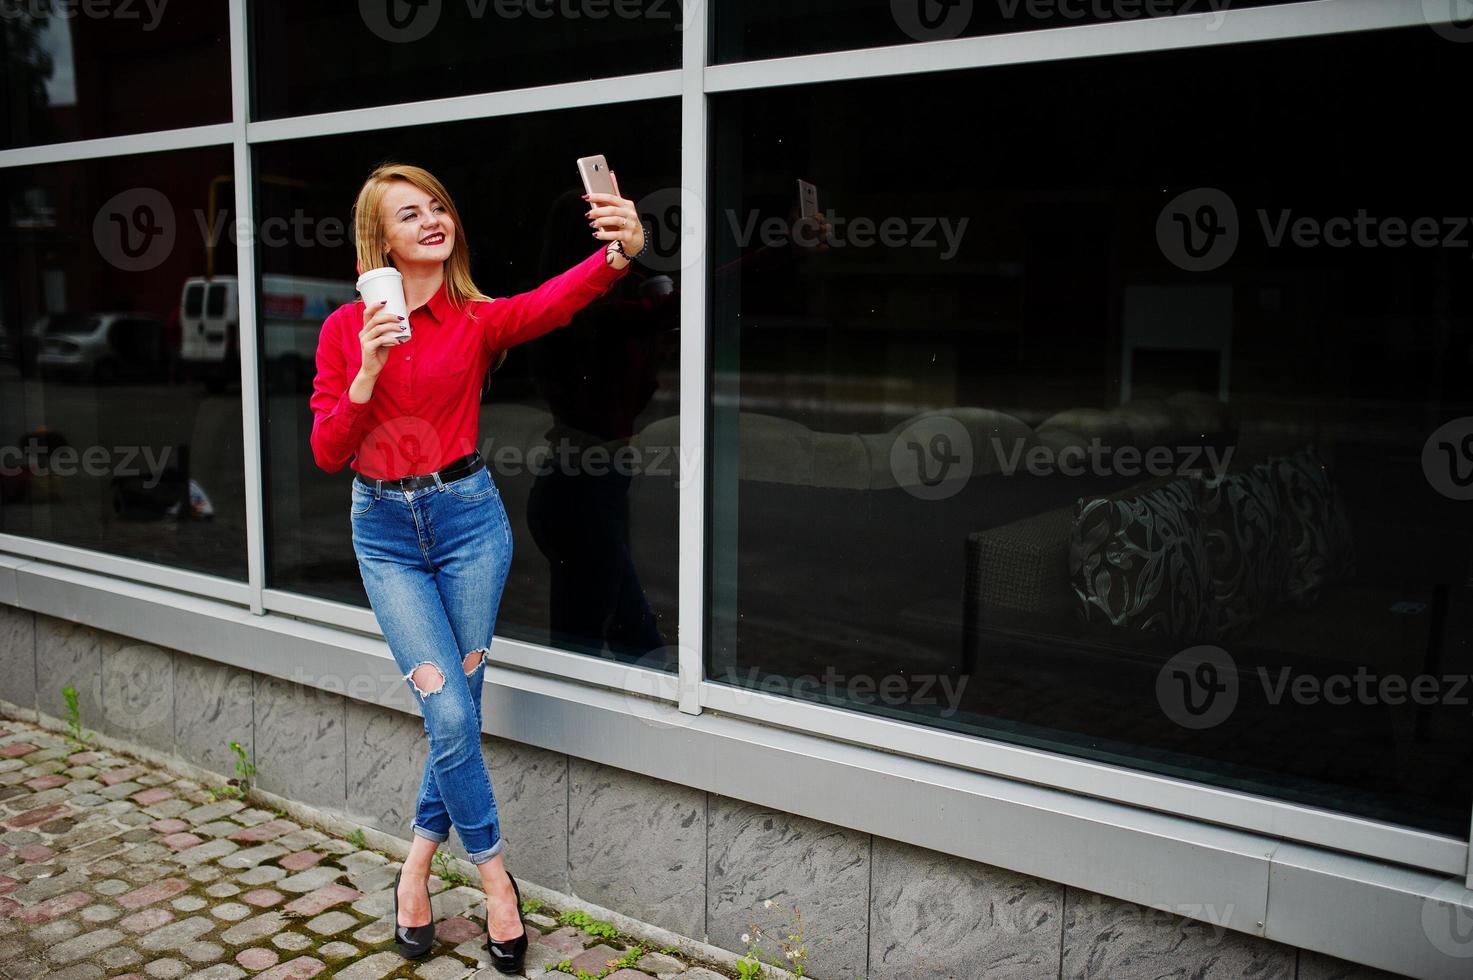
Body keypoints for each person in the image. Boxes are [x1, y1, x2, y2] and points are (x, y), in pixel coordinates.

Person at [308, 162, 646, 973]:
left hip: (469, 529)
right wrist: (366, 368)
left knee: (455, 712)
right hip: (385, 534)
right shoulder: (344, 328)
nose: (431, 220)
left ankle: (415, 867)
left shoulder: (475, 318)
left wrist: (619, 256)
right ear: (380, 240)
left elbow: (552, 302)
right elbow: (327, 451)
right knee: (452, 717)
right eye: (408, 214)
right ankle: (495, 878)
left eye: (438, 207)